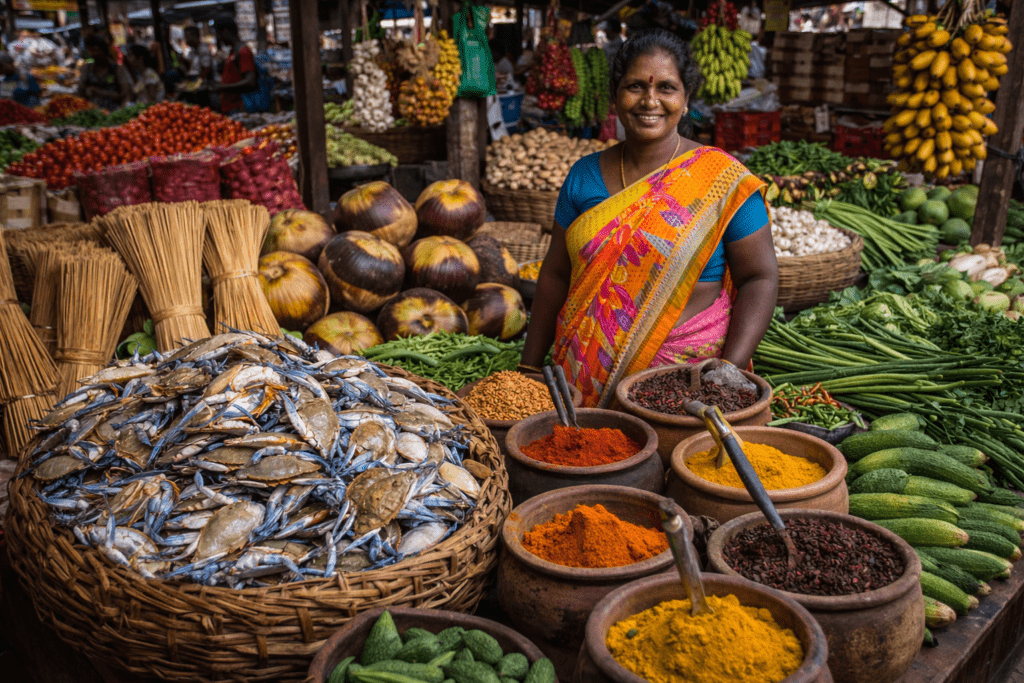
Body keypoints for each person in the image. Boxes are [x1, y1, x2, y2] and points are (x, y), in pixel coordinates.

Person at [517, 28, 778, 408]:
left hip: (687, 388)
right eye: (635, 86)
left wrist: (727, 371)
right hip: (582, 383)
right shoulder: (583, 176)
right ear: (616, 97)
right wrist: (526, 370)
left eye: (667, 88)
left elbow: (760, 276)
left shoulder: (720, 179)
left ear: (686, 100)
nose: (650, 100)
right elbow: (556, 275)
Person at [207, 17, 257, 114]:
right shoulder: (233, 51)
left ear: (225, 31)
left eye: (218, 33)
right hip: (232, 107)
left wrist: (223, 88)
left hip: (239, 107)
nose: (218, 37)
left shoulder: (243, 51)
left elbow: (250, 81)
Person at [77, 33, 132, 110]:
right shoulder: (87, 69)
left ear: (104, 51)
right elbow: (81, 92)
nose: (92, 54)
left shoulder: (118, 69)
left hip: (113, 112)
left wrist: (100, 92)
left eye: (95, 50)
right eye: (90, 51)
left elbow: (125, 95)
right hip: (92, 113)